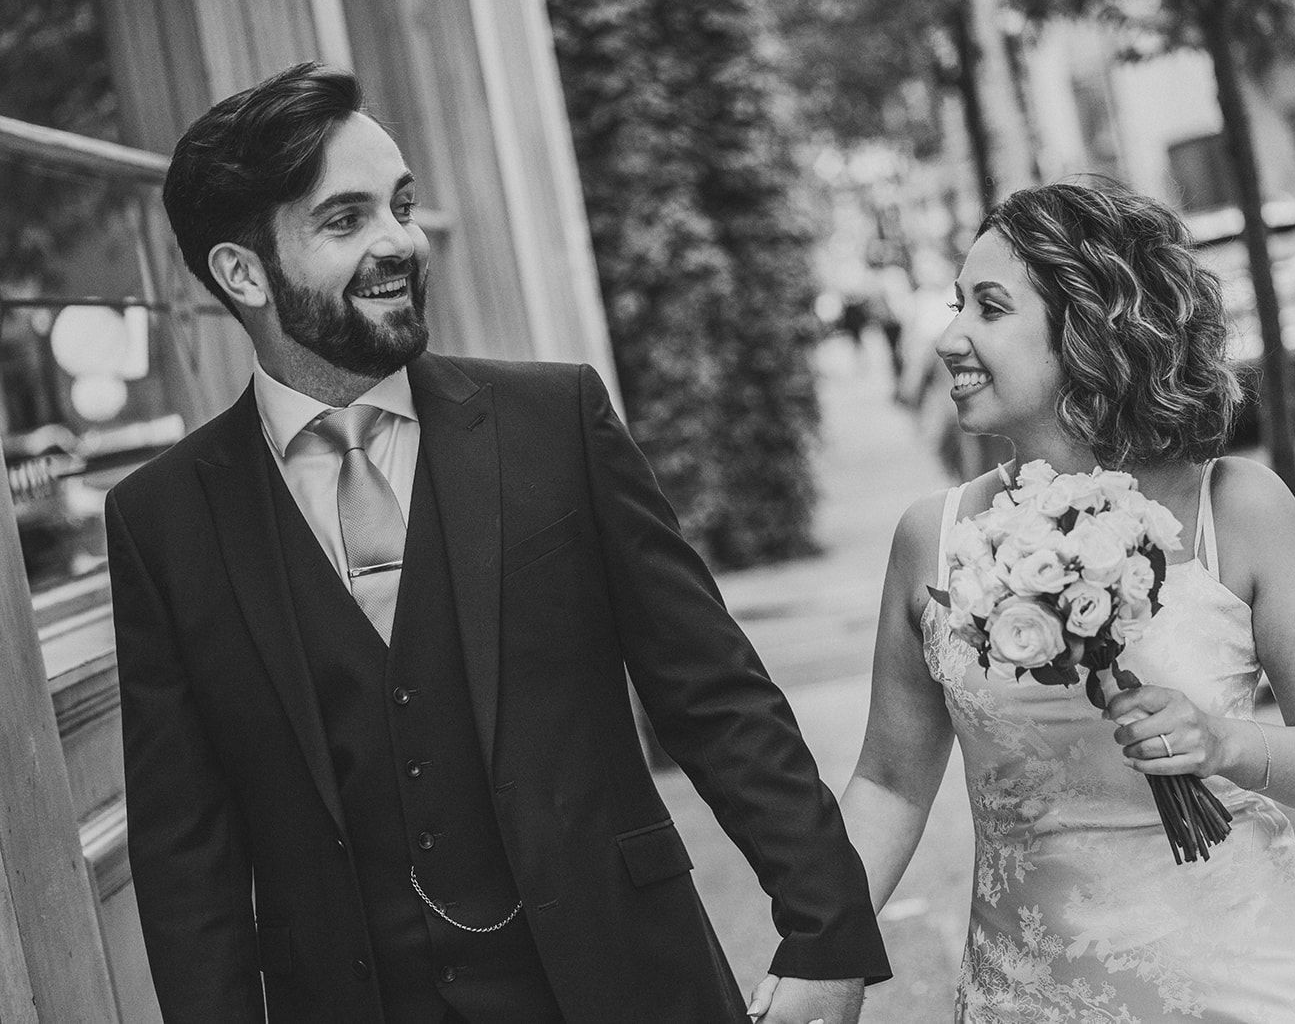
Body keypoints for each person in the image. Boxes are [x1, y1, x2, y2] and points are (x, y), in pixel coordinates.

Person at [106, 62, 886, 1023]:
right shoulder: (164, 518)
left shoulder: (555, 420)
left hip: (626, 981)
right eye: (345, 221)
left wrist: (829, 932)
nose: (399, 242)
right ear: (242, 271)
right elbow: (188, 851)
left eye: (402, 205)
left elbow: (716, 695)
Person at [835, 182, 1295, 1021]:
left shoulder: (1236, 510)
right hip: (1030, 995)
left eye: (989, 307)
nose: (951, 336)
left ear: (1091, 327)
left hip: (1252, 985)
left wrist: (1225, 742)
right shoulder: (933, 537)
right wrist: (828, 949)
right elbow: (888, 784)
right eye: (958, 306)